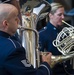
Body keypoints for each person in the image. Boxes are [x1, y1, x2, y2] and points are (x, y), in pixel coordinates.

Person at [0, 3, 52, 75]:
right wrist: (46, 64)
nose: (19, 21)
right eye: (16, 18)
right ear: (6, 23)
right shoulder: (13, 49)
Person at [39, 2, 74, 75]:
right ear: (50, 15)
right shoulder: (42, 34)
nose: (63, 17)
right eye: (59, 15)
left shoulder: (65, 31)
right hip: (55, 72)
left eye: (63, 14)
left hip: (69, 71)